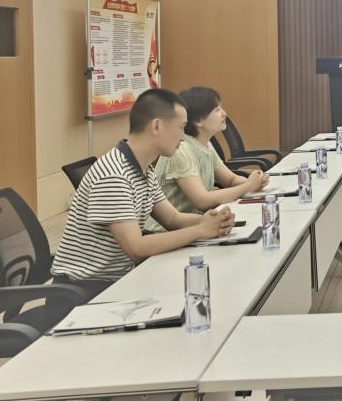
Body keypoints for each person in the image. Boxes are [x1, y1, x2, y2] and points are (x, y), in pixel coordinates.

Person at [51, 89, 235, 301]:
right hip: (85, 293)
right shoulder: (114, 175)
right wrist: (201, 229)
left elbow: (172, 219)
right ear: (157, 126)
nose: (184, 137)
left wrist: (212, 221)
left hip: (118, 279)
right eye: (181, 127)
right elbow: (137, 248)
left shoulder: (142, 168)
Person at [144, 86, 267, 232]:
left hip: (195, 225)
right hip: (166, 232)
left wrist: (256, 182)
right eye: (217, 110)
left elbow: (230, 180)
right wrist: (248, 186)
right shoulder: (181, 149)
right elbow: (202, 200)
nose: (224, 113)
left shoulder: (205, 144)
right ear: (198, 121)